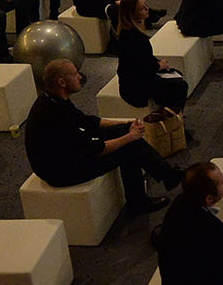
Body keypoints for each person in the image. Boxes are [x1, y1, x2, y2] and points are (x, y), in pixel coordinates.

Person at [26, 60, 178, 213]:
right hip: (62, 171)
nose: (80, 77)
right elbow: (96, 149)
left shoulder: (52, 100)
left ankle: (167, 174)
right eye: (75, 74)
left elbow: (87, 121)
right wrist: (130, 137)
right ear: (62, 82)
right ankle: (140, 201)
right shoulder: (56, 117)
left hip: (67, 154)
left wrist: (126, 124)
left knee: (124, 132)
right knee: (129, 148)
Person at [114, 0, 189, 111]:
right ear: (132, 14)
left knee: (176, 75)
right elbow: (144, 66)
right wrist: (159, 65)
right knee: (181, 85)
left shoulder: (126, 33)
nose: (147, 9)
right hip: (135, 88)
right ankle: (171, 117)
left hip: (133, 80)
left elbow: (143, 59)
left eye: (146, 5)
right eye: (142, 8)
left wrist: (159, 64)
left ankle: (170, 113)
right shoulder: (136, 38)